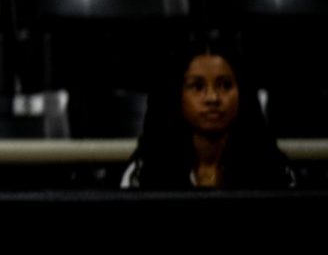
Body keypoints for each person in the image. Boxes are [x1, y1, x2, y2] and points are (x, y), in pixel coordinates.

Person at [122, 37, 296, 189]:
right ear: (176, 94)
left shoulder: (275, 172)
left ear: (243, 93)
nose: (212, 98)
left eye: (225, 85)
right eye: (197, 86)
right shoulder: (143, 174)